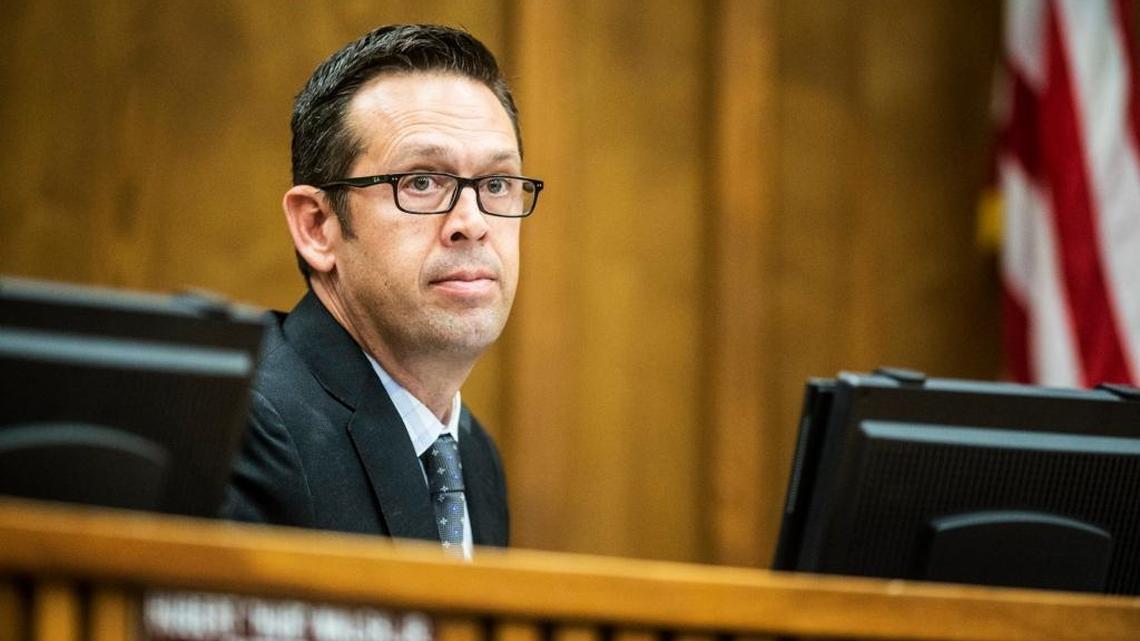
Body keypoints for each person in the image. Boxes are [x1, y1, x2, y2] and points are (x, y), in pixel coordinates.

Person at [221, 24, 542, 559]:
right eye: (420, 182)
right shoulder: (249, 426)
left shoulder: (473, 455)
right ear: (317, 226)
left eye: (495, 184)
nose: (472, 222)